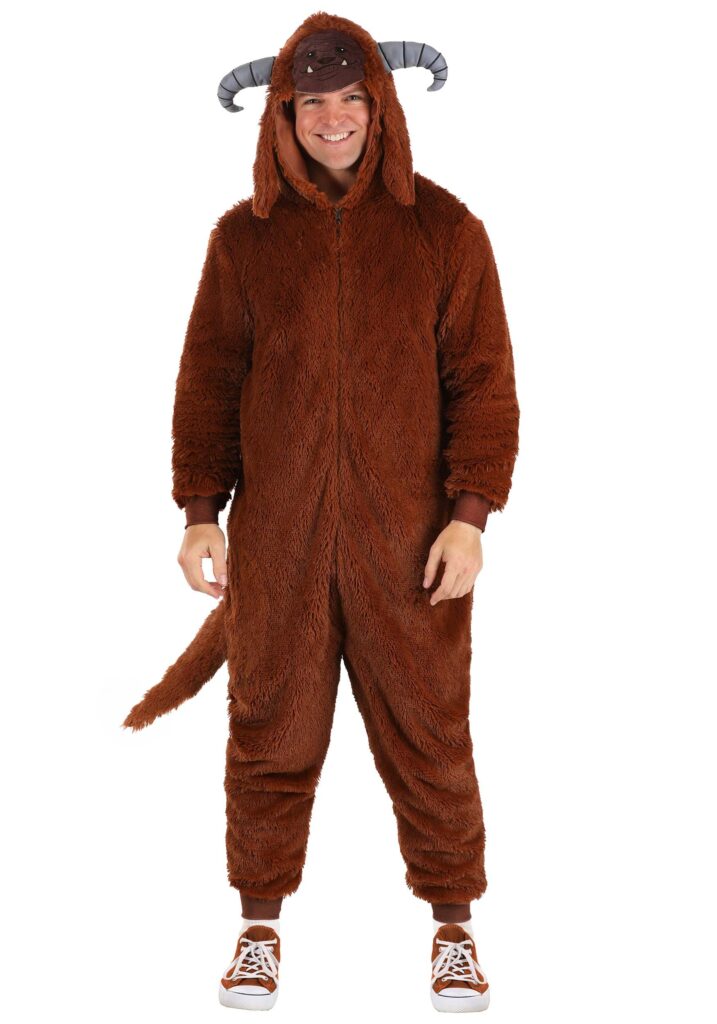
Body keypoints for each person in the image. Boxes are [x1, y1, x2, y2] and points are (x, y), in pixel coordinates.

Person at [123, 12, 520, 1014]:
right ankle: (258, 929)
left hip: (411, 547)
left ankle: (454, 929)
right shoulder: (243, 239)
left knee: (430, 735)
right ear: (282, 115)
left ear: (381, 107)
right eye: (311, 103)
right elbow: (209, 380)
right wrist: (200, 510)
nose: (332, 119)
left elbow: (483, 384)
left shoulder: (446, 230)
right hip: (279, 542)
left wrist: (470, 515)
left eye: (351, 99)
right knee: (269, 733)